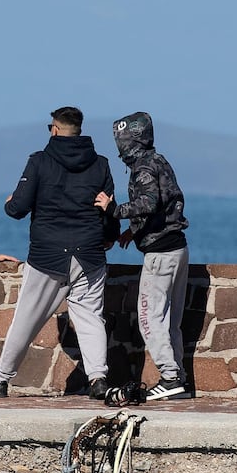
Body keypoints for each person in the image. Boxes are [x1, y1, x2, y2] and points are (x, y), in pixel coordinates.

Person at [0, 106, 118, 399]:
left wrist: (10, 202)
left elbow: (18, 208)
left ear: (55, 129)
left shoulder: (39, 161)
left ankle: (1, 379)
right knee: (91, 318)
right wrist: (109, 237)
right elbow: (107, 207)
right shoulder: (101, 164)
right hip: (89, 254)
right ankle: (98, 379)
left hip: (47, 254)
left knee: (27, 318)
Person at [95, 111, 189, 401]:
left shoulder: (143, 167)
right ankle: (180, 379)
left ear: (130, 141)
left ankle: (170, 378)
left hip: (160, 253)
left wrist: (113, 210)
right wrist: (133, 232)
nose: (119, 147)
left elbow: (147, 202)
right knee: (171, 320)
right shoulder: (159, 160)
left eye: (120, 140)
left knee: (150, 318)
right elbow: (164, 203)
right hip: (178, 248)